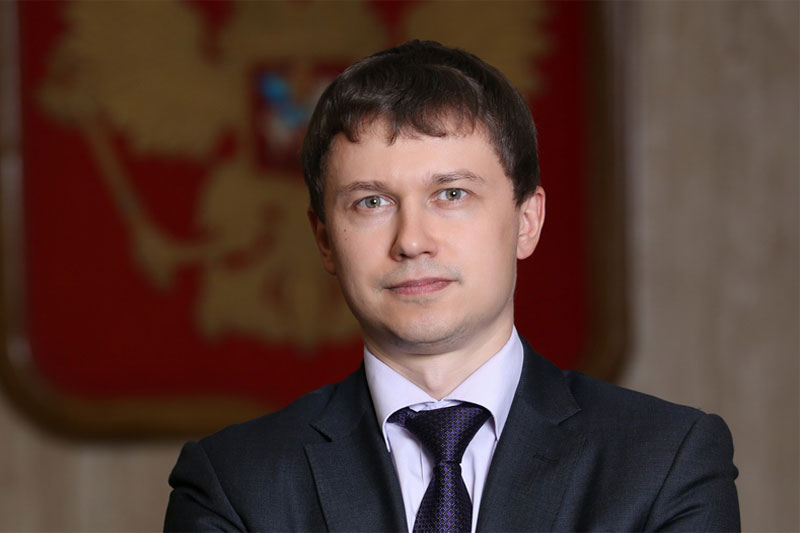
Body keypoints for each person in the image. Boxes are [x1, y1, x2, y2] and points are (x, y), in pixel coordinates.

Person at [164, 40, 740, 532]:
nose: (413, 240)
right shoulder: (233, 484)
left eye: (452, 194)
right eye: (371, 202)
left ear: (527, 220)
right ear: (325, 242)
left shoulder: (668, 461)